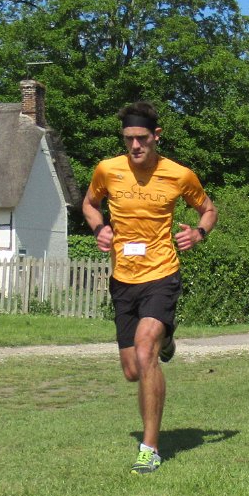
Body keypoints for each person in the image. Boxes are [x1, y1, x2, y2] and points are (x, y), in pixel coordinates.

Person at [82, 101, 218, 475]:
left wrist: (199, 232)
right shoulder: (107, 170)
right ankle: (167, 339)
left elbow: (208, 209)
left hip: (162, 273)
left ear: (156, 136)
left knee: (146, 352)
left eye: (142, 138)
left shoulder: (178, 174)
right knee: (132, 370)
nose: (135, 146)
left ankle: (150, 448)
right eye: (129, 139)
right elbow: (89, 204)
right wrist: (99, 228)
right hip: (123, 279)